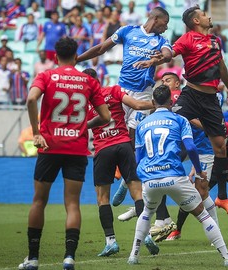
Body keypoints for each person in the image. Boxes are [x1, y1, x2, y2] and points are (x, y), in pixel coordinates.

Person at [17, 37, 111, 270]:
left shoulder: (46, 76)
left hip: (50, 146)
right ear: (76, 55)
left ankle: (33, 258)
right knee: (72, 204)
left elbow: (30, 99)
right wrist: (82, 127)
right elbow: (106, 117)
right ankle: (69, 257)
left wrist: (37, 133)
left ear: (55, 56)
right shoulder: (88, 81)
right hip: (77, 149)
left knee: (39, 201)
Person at [127, 85, 228, 267]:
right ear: (171, 102)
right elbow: (190, 147)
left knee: (147, 213)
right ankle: (227, 257)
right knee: (203, 215)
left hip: (150, 178)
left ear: (153, 102)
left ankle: (133, 255)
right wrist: (199, 170)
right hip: (174, 177)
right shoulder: (180, 120)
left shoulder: (142, 125)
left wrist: (144, 175)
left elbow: (138, 156)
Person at [170, 6, 228, 216]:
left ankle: (221, 196)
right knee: (170, 125)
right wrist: (159, 56)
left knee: (221, 146)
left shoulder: (215, 41)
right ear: (196, 21)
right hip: (190, 94)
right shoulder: (186, 38)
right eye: (203, 14)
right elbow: (171, 52)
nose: (208, 16)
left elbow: (221, 67)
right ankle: (160, 169)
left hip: (210, 99)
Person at [82, 68, 154, 257]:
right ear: (98, 80)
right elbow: (137, 105)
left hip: (103, 149)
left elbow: (79, 127)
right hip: (123, 145)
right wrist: (158, 103)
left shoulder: (83, 104)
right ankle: (145, 235)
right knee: (137, 193)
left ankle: (111, 242)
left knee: (102, 198)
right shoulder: (113, 90)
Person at [77, 7, 172, 145]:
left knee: (134, 132)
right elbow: (101, 48)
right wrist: (77, 59)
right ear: (155, 19)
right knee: (118, 131)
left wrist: (155, 60)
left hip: (143, 91)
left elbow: (168, 56)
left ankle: (132, 164)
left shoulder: (162, 40)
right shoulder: (127, 30)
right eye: (165, 22)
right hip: (123, 90)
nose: (167, 27)